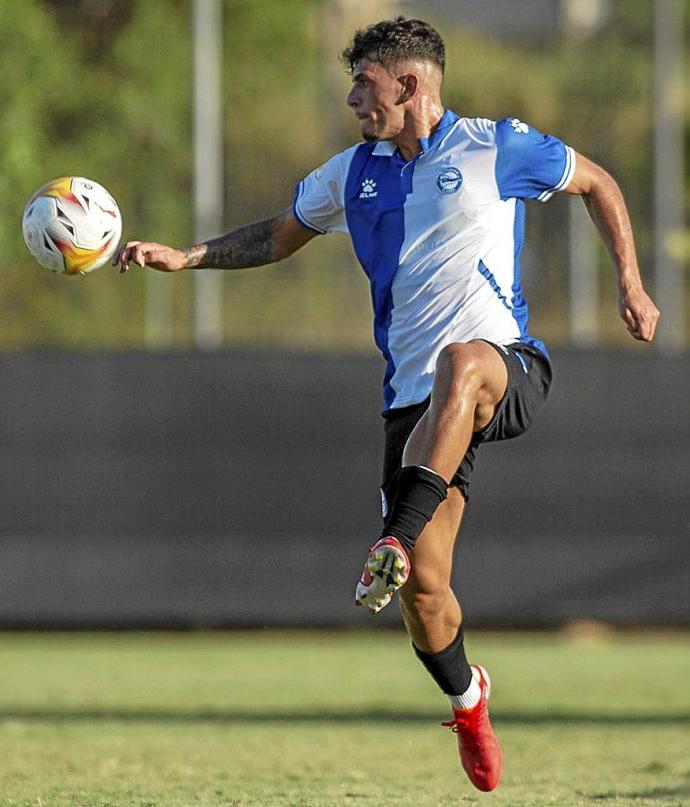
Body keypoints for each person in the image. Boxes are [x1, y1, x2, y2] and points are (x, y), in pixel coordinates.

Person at [116, 17, 660, 793]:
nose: (351, 99)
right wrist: (186, 256)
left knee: (463, 361)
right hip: (412, 402)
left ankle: (394, 536)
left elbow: (599, 182)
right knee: (425, 595)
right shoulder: (352, 173)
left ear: (409, 85)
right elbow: (274, 236)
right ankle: (469, 700)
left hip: (505, 368)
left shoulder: (495, 144)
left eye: (363, 84)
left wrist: (631, 284)